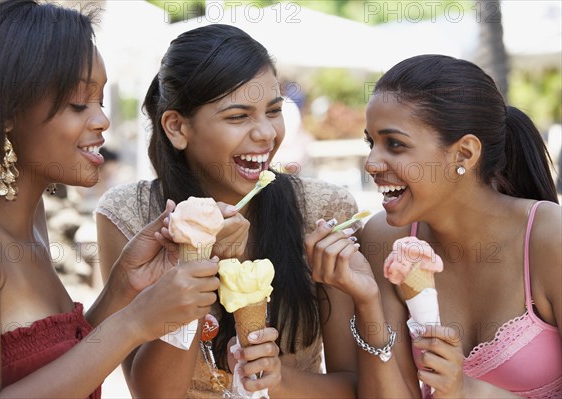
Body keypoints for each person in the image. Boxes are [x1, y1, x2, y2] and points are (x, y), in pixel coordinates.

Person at [0, 2, 220, 397]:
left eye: (101, 101)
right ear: (6, 112)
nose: (102, 120)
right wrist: (133, 323)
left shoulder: (33, 218)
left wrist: (122, 288)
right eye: (79, 103)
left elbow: (59, 366)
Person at [96, 24, 359, 398]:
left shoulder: (322, 211)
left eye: (273, 111)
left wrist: (278, 379)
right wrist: (197, 258)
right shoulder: (129, 215)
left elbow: (353, 387)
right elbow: (152, 394)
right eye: (238, 117)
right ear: (176, 127)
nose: (266, 133)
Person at [306, 54, 561, 398]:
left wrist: (467, 390)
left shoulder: (549, 237)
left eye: (394, 144)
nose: (371, 162)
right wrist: (365, 300)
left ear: (465, 154)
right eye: (371, 142)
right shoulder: (386, 238)